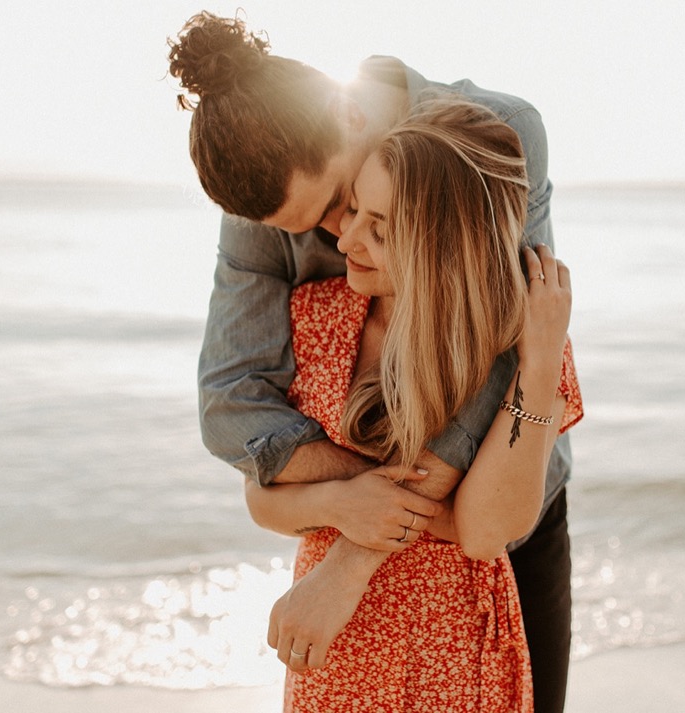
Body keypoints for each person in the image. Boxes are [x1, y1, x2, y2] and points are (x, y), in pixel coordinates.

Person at [168, 12, 576, 712]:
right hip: (366, 552)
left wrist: (359, 545)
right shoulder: (276, 215)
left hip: (504, 524)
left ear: (351, 111)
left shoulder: (498, 138)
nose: (337, 237)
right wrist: (355, 504)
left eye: (344, 203)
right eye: (313, 227)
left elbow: (502, 340)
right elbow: (230, 407)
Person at [253, 98, 582, 710]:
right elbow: (259, 497)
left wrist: (538, 369)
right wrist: (349, 503)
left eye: (380, 227)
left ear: (445, 245)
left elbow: (486, 530)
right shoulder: (316, 319)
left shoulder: (514, 347)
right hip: (335, 651)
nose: (346, 237)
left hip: (458, 660)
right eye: (354, 208)